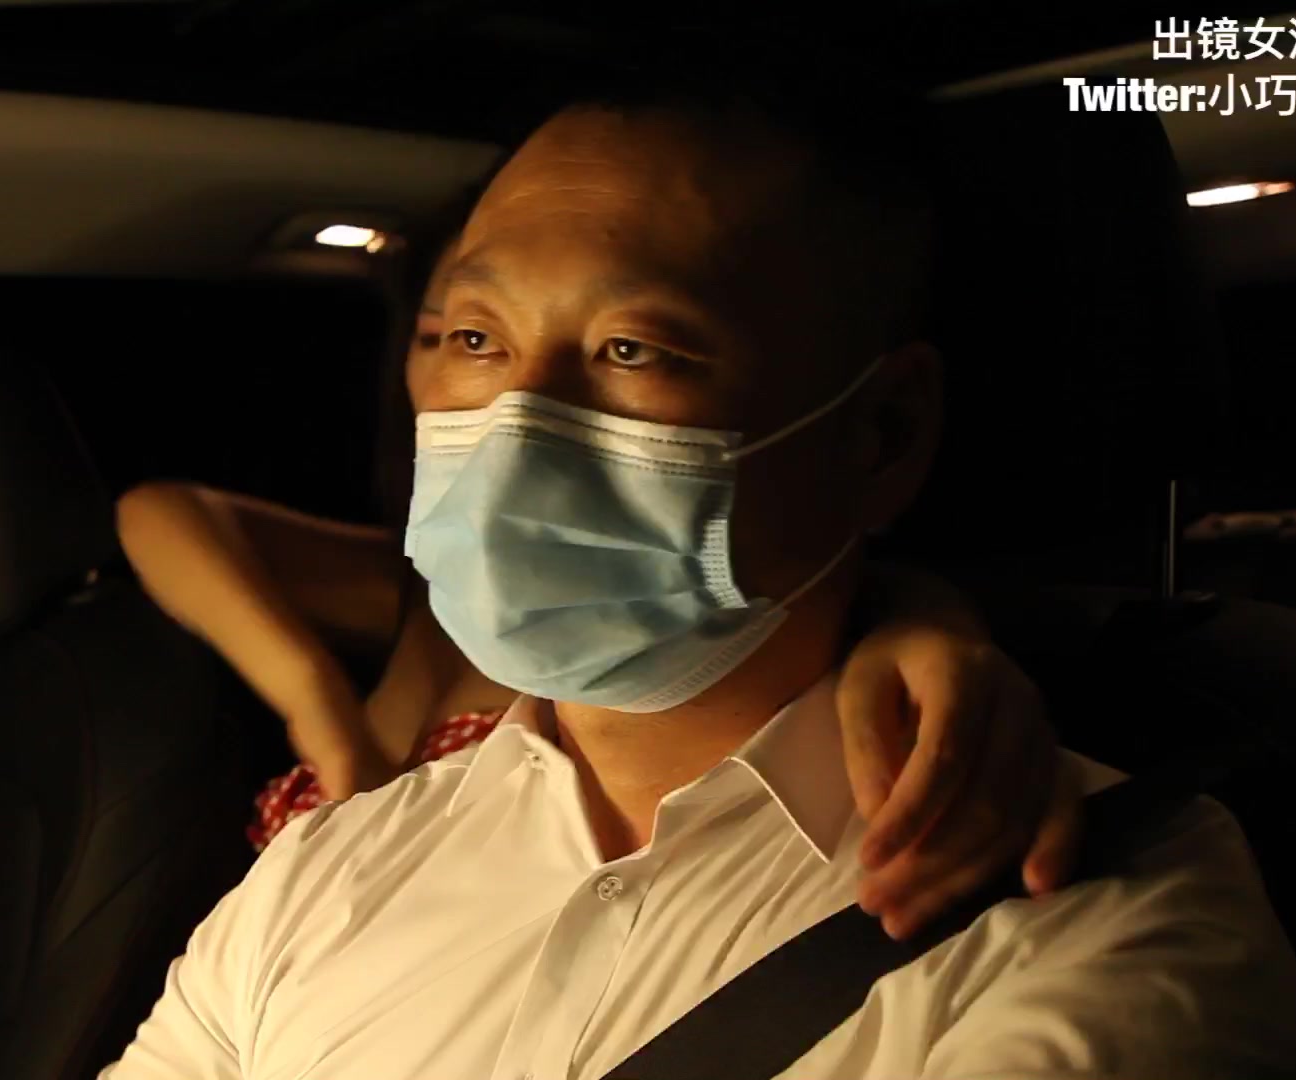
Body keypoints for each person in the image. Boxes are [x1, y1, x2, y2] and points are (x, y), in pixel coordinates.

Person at [102, 53, 1296, 1079]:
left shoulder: (1103, 908)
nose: (519, 424)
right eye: (475, 336)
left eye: (635, 350)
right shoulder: (331, 870)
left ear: (882, 432)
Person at [118, 234, 1071, 935]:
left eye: (628, 350)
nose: (514, 405)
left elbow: (828, 593)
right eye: (463, 339)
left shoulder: (652, 614)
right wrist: (319, 710)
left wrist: (932, 626)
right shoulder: (422, 591)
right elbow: (160, 515)